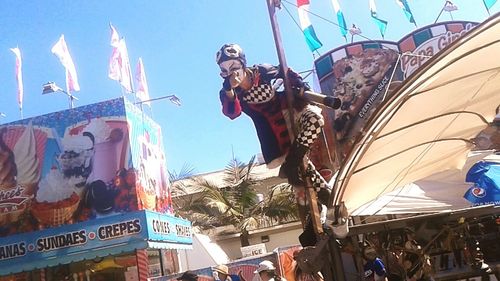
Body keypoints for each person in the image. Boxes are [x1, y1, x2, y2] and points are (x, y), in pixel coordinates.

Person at [216, 43, 332, 208]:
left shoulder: (262, 71)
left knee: (314, 119)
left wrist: (299, 86)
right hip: (276, 133)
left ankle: (292, 162)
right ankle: (330, 208)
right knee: (304, 176)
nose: (231, 73)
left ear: (242, 63)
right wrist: (229, 89)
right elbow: (232, 113)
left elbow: (286, 72)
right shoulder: (229, 93)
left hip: (292, 111)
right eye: (224, 70)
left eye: (234, 66)